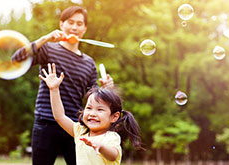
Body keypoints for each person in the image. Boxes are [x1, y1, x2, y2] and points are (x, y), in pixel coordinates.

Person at [12, 6, 113, 165]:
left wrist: (105, 90)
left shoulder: (89, 63)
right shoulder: (48, 50)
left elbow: (92, 99)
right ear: (61, 24)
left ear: (84, 29)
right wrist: (45, 38)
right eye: (70, 22)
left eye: (79, 24)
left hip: (74, 126)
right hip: (45, 123)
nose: (74, 27)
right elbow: (16, 59)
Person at [39, 63, 143, 164]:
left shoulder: (111, 136)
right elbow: (59, 116)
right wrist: (54, 90)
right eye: (89, 108)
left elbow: (113, 155)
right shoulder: (81, 132)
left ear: (114, 117)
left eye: (100, 110)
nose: (92, 113)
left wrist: (101, 146)